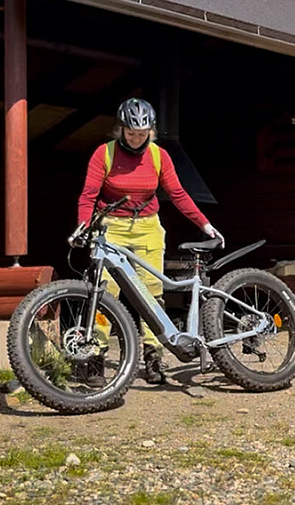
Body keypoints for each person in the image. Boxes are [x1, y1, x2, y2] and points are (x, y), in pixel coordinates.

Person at [77, 98, 223, 385]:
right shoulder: (104, 154)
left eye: (142, 134)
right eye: (131, 133)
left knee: (151, 292)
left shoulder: (159, 156)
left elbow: (178, 194)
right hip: (111, 226)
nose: (136, 138)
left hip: (148, 227)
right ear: (121, 129)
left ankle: (153, 356)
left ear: (151, 131)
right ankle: (96, 357)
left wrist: (205, 224)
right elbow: (88, 195)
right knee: (105, 292)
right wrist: (83, 225)